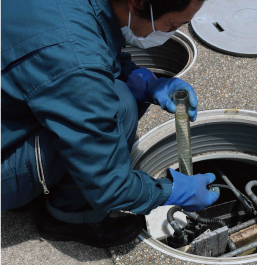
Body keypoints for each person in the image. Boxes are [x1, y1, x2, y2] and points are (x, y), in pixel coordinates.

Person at [1, 0, 220, 248]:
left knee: (114, 94)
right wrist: (170, 191)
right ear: (137, 3)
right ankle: (68, 219)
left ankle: (34, 188)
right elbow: (109, 184)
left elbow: (88, 45)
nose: (171, 34)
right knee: (119, 105)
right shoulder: (75, 62)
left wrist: (140, 78)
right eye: (172, 25)